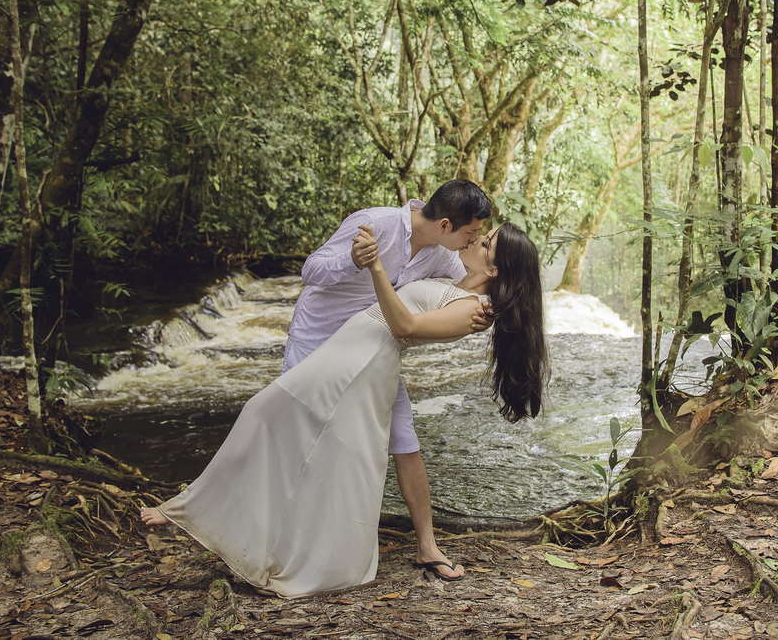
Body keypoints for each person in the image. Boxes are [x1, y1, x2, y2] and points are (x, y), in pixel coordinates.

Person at [140, 221, 548, 599]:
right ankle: (211, 515)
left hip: (362, 363)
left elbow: (404, 326)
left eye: (486, 241)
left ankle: (212, 518)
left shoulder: (472, 308)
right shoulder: (454, 276)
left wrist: (375, 269)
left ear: (495, 269)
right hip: (350, 346)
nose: (477, 239)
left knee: (269, 415)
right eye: (480, 233)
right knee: (283, 424)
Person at [281, 179, 493, 582]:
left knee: (404, 439)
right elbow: (311, 271)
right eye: (471, 232)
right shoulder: (373, 224)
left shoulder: (442, 254)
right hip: (318, 339)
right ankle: (281, 536)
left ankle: (427, 547)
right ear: (445, 224)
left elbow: (455, 294)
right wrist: (352, 261)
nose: (475, 240)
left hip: (374, 348)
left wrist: (482, 316)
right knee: (295, 433)